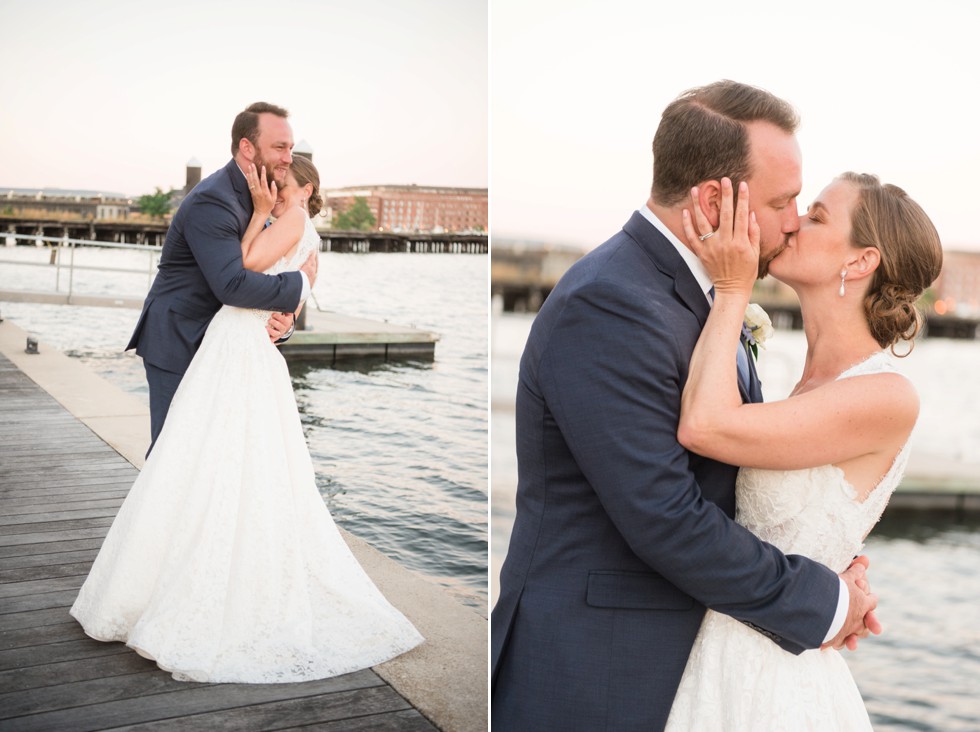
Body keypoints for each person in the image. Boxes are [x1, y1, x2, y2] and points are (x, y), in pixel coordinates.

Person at [490, 81, 878, 730]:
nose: (792, 220)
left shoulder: (708, 294)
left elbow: (727, 480)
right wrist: (826, 601)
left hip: (682, 659)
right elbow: (666, 517)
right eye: (782, 201)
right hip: (597, 668)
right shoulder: (612, 303)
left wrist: (824, 546)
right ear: (712, 199)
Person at [70, 155, 423, 683]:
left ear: (305, 187)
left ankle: (206, 584)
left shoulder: (292, 218)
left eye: (282, 181)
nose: (272, 187)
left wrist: (268, 233)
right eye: (270, 179)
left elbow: (245, 267)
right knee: (191, 457)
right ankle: (160, 579)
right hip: (214, 342)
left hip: (237, 348)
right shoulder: (253, 211)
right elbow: (256, 280)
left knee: (212, 460)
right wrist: (292, 298)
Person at [664, 172, 942, 729]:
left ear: (860, 262)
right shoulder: (800, 382)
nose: (792, 222)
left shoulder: (887, 394)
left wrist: (733, 289)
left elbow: (704, 427)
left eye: (816, 216)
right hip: (722, 645)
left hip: (774, 674)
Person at [126, 102, 318, 452]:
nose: (289, 158)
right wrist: (299, 286)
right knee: (174, 453)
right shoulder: (213, 200)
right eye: (279, 147)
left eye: (290, 148)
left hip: (228, 344)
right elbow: (232, 284)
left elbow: (275, 261)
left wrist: (286, 319)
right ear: (247, 147)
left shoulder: (269, 198)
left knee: (217, 454)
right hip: (182, 339)